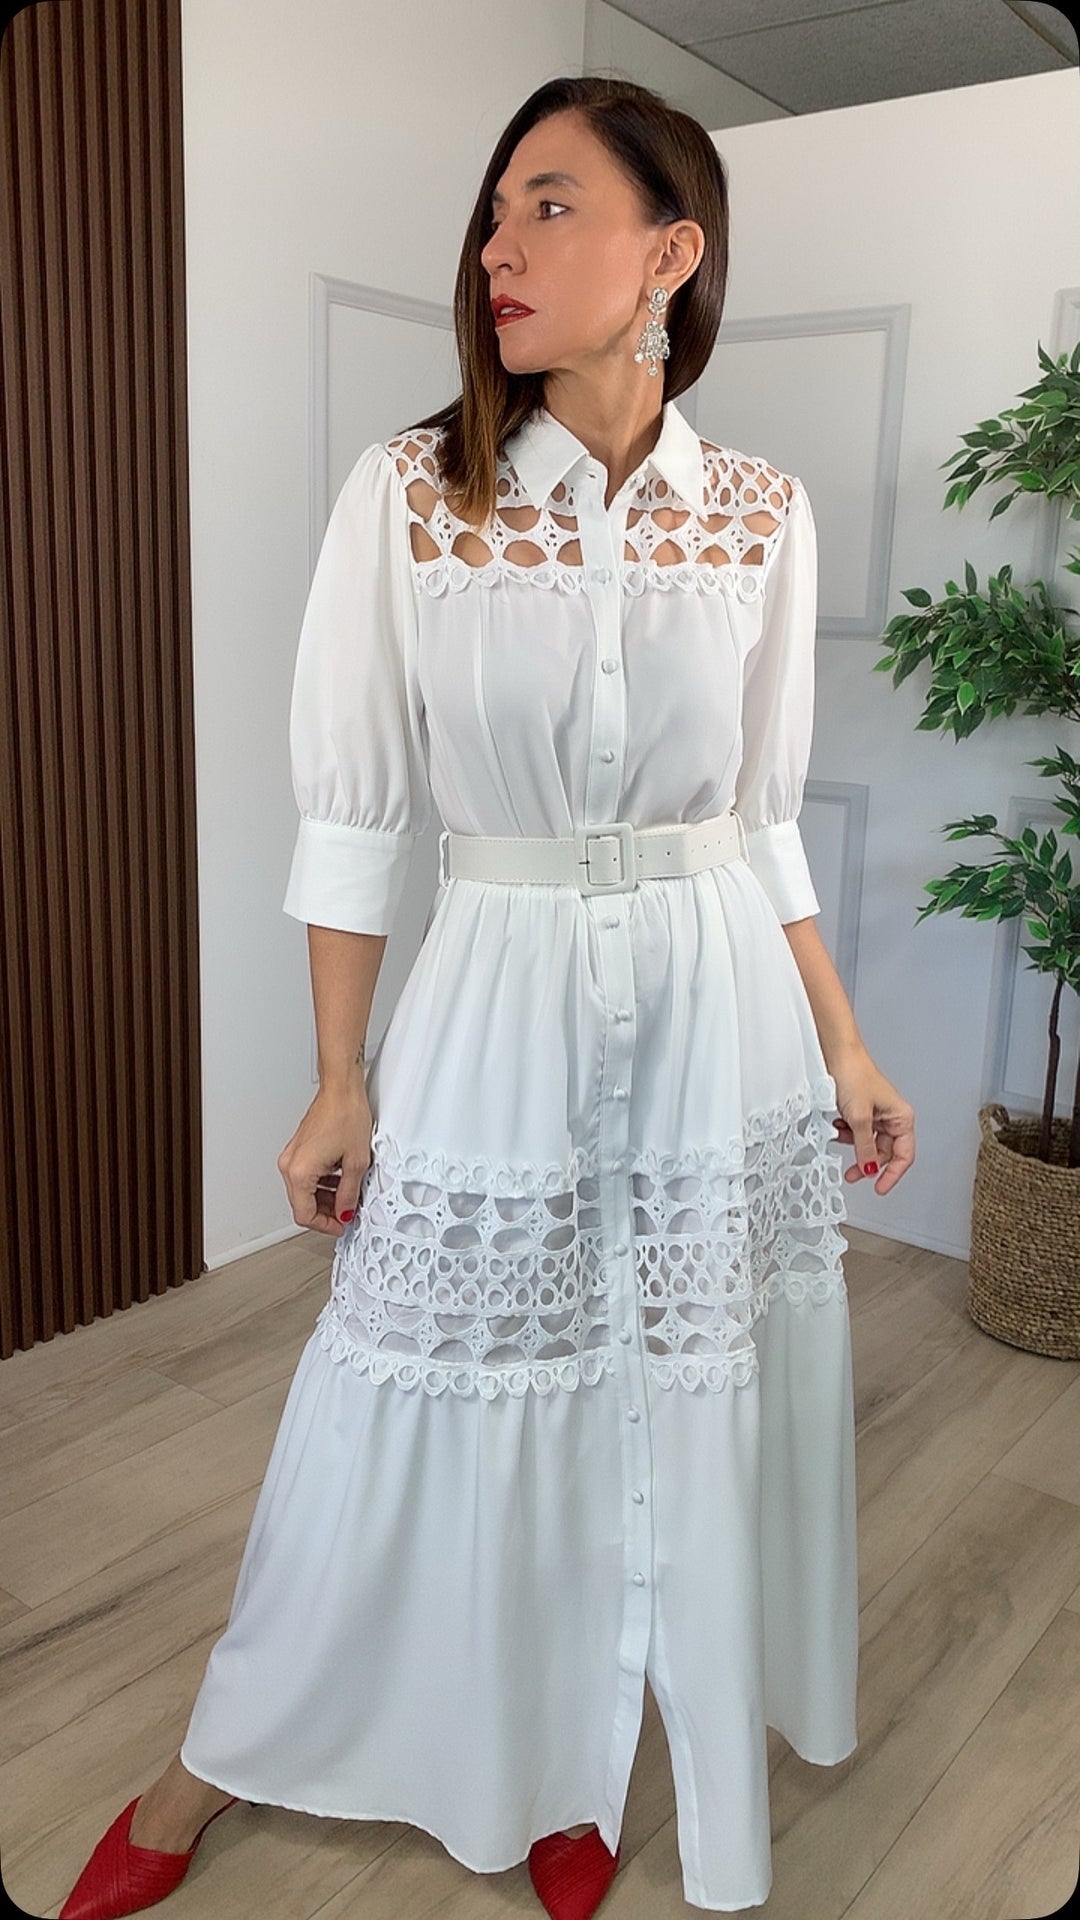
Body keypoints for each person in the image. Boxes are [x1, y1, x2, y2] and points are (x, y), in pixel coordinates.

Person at [59, 72, 916, 1920]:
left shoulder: (758, 515)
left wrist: (843, 1042)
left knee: (656, 1389)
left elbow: (762, 817)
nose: (496, 247)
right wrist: (337, 1075)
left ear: (670, 256)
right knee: (410, 1394)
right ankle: (214, 1758)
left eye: (549, 204)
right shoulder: (414, 497)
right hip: (499, 993)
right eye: (495, 208)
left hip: (715, 1008)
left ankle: (561, 1767)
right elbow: (357, 815)